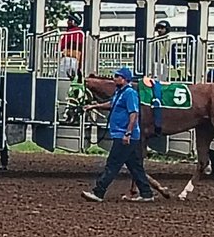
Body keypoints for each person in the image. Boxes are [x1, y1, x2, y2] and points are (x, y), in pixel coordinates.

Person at [82, 66, 154, 202]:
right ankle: (147, 194)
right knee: (135, 167)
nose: (114, 78)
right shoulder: (119, 92)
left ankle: (98, 192)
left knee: (113, 164)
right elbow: (112, 104)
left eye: (117, 76)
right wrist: (94, 106)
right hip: (124, 135)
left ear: (125, 79)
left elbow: (134, 114)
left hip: (125, 136)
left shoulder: (130, 94)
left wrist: (127, 133)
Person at [59, 14, 85, 78]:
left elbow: (61, 46)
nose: (68, 22)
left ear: (73, 22)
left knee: (62, 79)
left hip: (68, 60)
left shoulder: (70, 33)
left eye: (70, 20)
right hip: (77, 61)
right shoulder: (81, 33)